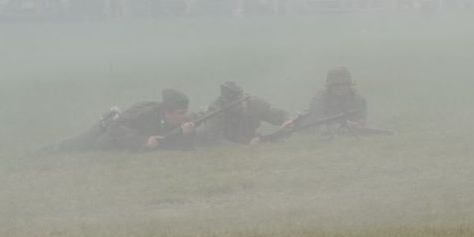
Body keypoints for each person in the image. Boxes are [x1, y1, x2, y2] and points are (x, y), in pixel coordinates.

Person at [46, 89, 196, 153]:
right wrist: (143, 142)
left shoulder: (175, 120)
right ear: (167, 112)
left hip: (117, 141)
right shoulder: (145, 114)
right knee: (70, 146)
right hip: (104, 133)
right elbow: (115, 129)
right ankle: (42, 152)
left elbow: (169, 140)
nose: (185, 117)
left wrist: (187, 134)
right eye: (181, 113)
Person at [195, 81, 296, 146]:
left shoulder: (254, 103)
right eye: (235, 103)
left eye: (241, 100)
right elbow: (216, 140)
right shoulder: (215, 110)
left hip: (245, 138)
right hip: (207, 139)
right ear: (226, 103)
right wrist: (246, 145)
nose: (241, 104)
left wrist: (287, 119)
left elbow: (277, 114)